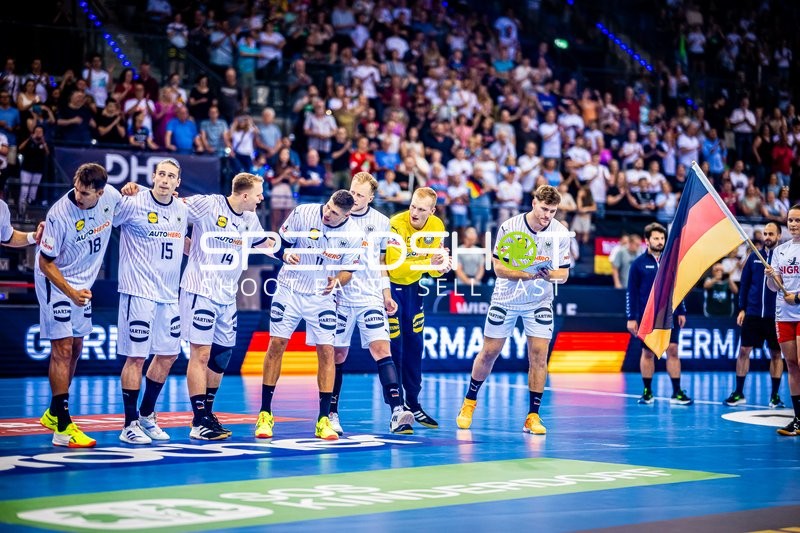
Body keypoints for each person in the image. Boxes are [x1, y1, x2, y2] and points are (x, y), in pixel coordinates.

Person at [305, 173, 416, 435]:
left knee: (381, 348)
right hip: (339, 296)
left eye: (360, 195)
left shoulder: (381, 222)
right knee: (338, 354)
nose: (354, 198)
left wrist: (386, 294)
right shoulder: (334, 216)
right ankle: (330, 413)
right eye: (352, 192)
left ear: (371, 198)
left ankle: (397, 411)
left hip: (369, 295)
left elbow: (380, 262)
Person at [456, 185, 570, 433]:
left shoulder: (560, 232)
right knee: (489, 352)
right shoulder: (511, 227)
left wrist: (551, 275)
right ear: (533, 202)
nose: (547, 215)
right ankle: (469, 402)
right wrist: (528, 275)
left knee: (539, 356)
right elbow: (498, 269)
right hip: (506, 298)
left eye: (552, 211)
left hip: (540, 301)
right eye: (544, 208)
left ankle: (533, 416)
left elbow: (564, 274)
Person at [255, 190, 364, 441]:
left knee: (327, 351)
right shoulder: (303, 212)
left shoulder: (354, 235)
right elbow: (279, 243)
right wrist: (284, 254)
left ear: (347, 214)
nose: (328, 213)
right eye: (327, 207)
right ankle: (264, 414)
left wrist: (336, 282)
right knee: (276, 345)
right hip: (289, 288)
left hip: (322, 295)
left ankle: (323, 419)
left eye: (335, 213)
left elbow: (348, 270)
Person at [37, 163, 122, 447]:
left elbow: (130, 210)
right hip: (56, 281)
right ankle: (62, 427)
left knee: (75, 348)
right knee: (61, 349)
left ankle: (53, 412)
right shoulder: (59, 215)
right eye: (76, 188)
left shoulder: (110, 197)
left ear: (100, 192)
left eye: (85, 193)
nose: (78, 195)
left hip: (82, 286)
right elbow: (44, 262)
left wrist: (135, 190)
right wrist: (70, 292)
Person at [180, 173, 270, 440]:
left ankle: (208, 413)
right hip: (201, 289)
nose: (261, 198)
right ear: (244, 195)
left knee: (222, 356)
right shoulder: (208, 205)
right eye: (258, 194)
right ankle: (198, 420)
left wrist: (288, 250)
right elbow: (171, 209)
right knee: (201, 354)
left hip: (227, 296)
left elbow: (263, 243)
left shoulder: (250, 219)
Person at [114, 159, 187, 444]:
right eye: (162, 175)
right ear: (153, 177)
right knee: (136, 357)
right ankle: (129, 424)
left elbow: (184, 244)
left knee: (168, 355)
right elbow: (108, 218)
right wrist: (125, 192)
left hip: (169, 295)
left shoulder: (182, 209)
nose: (166, 180)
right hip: (138, 291)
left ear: (178, 183)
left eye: (172, 176)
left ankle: (146, 415)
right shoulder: (134, 202)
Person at [386, 187, 452, 428]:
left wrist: (441, 266)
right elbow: (394, 267)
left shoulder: (436, 226)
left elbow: (432, 269)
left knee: (415, 346)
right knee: (396, 348)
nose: (414, 211)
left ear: (431, 211)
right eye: (413, 205)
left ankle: (414, 403)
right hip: (390, 290)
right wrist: (427, 262)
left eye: (421, 209)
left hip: (414, 291)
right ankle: (397, 407)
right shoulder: (395, 223)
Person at [626, 222, 694, 405]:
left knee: (673, 350)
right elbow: (631, 292)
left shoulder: (670, 262)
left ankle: (677, 392)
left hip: (669, 314)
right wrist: (631, 318)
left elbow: (677, 288)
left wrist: (682, 311)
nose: (660, 241)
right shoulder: (638, 265)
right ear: (647, 241)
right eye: (656, 238)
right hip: (648, 317)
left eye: (662, 238)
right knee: (648, 353)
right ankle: (647, 392)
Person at [724, 222, 784, 408]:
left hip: (776, 315)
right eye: (765, 233)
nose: (767, 236)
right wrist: (742, 308)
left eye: (771, 234)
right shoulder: (754, 257)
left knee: (776, 354)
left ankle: (774, 396)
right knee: (744, 351)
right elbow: (745, 284)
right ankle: (739, 392)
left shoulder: (784, 257)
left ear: (779, 236)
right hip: (753, 313)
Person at [765, 206, 800, 436]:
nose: (793, 224)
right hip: (784, 315)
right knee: (792, 365)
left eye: (798, 220)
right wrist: (772, 276)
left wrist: (797, 297)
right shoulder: (780, 251)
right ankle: (798, 419)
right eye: (790, 220)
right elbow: (773, 287)